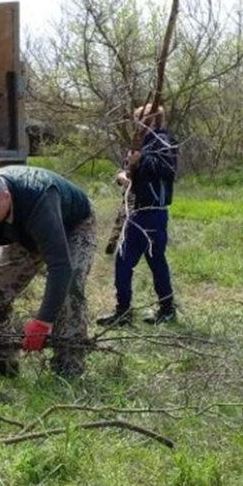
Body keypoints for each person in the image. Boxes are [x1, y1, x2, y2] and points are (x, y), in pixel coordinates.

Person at [0, 166, 97, 377]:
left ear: (5, 197)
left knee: (70, 291)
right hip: (25, 233)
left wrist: (43, 322)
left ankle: (69, 368)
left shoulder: (39, 198)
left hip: (73, 226)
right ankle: (2, 363)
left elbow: (60, 265)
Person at [97, 104, 179, 327]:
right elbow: (136, 173)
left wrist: (139, 160)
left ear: (152, 120)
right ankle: (155, 309)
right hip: (139, 210)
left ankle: (146, 311)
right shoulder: (143, 142)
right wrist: (125, 175)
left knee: (139, 261)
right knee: (141, 261)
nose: (136, 124)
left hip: (152, 211)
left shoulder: (164, 141)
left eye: (139, 120)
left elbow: (168, 170)